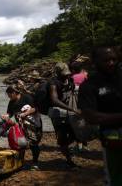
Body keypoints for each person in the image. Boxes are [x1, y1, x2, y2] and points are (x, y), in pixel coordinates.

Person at [79, 46, 122, 185]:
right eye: (106, 60)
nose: (111, 63)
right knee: (116, 177)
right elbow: (91, 117)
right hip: (113, 137)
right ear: (95, 62)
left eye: (114, 59)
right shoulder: (89, 86)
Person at [47, 62, 81, 168]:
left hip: (69, 112)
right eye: (64, 73)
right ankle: (69, 160)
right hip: (57, 114)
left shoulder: (70, 80)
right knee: (63, 138)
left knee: (75, 133)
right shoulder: (53, 83)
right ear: (58, 73)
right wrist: (71, 108)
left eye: (67, 73)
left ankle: (65, 147)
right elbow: (54, 100)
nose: (67, 75)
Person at [2, 85, 42, 170]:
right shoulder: (11, 102)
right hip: (21, 126)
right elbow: (9, 113)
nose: (8, 97)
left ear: (14, 93)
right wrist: (6, 116)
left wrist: (25, 113)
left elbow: (36, 108)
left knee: (33, 144)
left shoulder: (27, 98)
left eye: (9, 95)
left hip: (33, 124)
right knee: (21, 143)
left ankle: (35, 163)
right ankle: (21, 162)